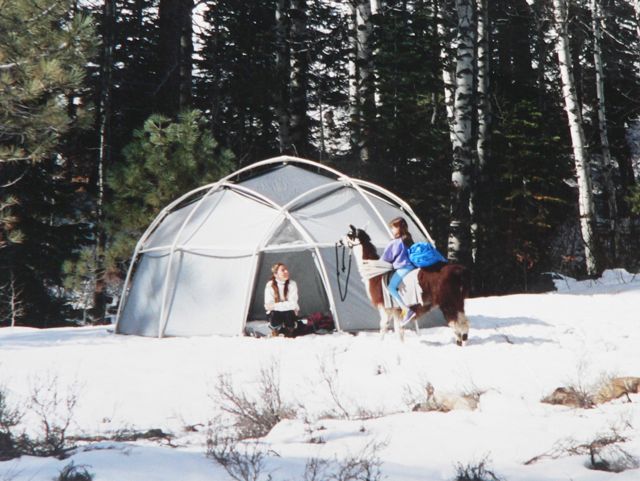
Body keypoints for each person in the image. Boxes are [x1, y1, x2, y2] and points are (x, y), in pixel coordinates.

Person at [382, 217, 416, 325]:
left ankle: (406, 310)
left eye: (392, 228)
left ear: (398, 228)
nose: (392, 230)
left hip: (403, 267)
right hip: (411, 267)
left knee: (391, 287)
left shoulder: (395, 242)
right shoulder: (408, 239)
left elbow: (386, 258)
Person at [264, 262, 300, 337]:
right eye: (283, 270)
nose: (286, 271)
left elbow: (293, 304)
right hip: (276, 315)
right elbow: (268, 305)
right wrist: (285, 305)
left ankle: (289, 329)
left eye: (286, 269)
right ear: (275, 274)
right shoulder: (270, 285)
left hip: (289, 314)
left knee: (289, 312)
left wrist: (275, 306)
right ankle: (276, 329)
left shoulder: (292, 284)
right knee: (274, 313)